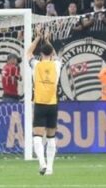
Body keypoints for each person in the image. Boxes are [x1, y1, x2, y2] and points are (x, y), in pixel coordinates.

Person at [27, 28, 60, 176]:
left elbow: (28, 53)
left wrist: (37, 38)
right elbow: (55, 55)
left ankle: (42, 163)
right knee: (51, 137)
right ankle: (51, 168)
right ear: (51, 54)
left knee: (37, 136)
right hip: (52, 104)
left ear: (40, 54)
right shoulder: (57, 65)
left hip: (39, 104)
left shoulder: (36, 65)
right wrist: (46, 40)